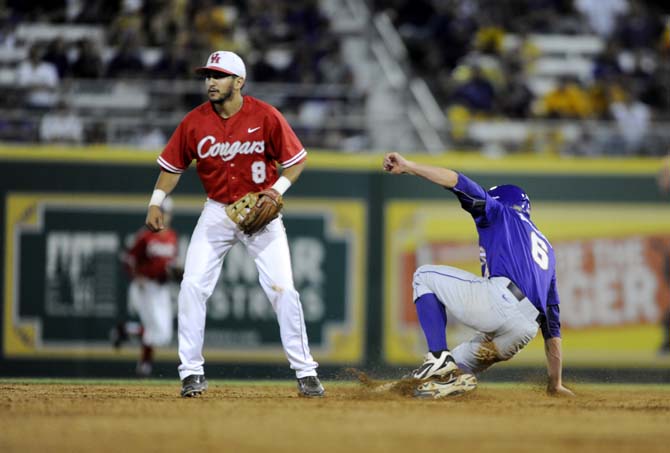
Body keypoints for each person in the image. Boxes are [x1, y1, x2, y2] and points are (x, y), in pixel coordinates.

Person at [144, 50, 324, 398]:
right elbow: (171, 167)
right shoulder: (194, 122)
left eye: (219, 76)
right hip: (217, 212)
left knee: (283, 289)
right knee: (192, 285)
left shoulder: (266, 116)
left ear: (238, 81)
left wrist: (276, 190)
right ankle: (191, 372)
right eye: (208, 76)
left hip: (261, 210)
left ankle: (306, 372)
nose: (211, 82)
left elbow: (296, 161)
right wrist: (156, 201)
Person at [383, 152, 574, 398]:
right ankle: (452, 380)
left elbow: (456, 180)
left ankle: (438, 357)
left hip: (502, 303)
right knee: (455, 368)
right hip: (523, 331)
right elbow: (552, 327)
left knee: (424, 276)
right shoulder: (547, 250)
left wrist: (409, 166)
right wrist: (555, 383)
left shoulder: (501, 213)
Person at [113, 197, 179, 377]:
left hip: (161, 288)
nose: (164, 215)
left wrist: (175, 273)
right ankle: (144, 367)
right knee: (153, 331)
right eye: (161, 211)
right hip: (145, 287)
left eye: (166, 212)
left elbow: (169, 266)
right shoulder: (146, 235)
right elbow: (128, 259)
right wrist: (137, 276)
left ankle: (125, 330)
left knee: (163, 335)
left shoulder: (172, 237)